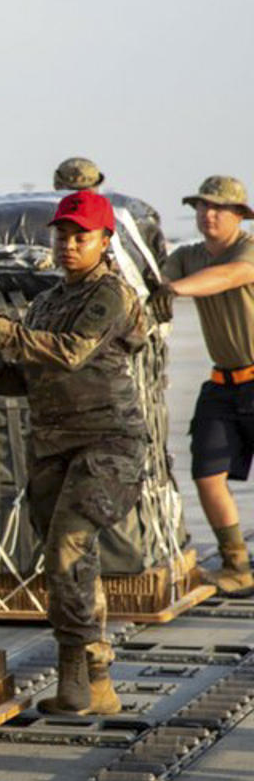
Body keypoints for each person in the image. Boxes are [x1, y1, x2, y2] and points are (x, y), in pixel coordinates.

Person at [0, 191, 147, 715]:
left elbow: (70, 353)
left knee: (69, 546)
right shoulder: (47, 302)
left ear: (104, 241)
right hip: (52, 447)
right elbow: (20, 377)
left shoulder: (110, 295)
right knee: (66, 559)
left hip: (108, 444)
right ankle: (97, 676)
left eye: (81, 236)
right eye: (62, 235)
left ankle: (75, 673)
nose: (68, 245)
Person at [154, 175, 254, 593]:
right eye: (201, 207)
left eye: (218, 208)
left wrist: (172, 290)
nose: (208, 214)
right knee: (207, 473)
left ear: (238, 216)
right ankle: (236, 564)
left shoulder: (247, 249)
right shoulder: (188, 256)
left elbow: (229, 276)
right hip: (222, 382)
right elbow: (154, 279)